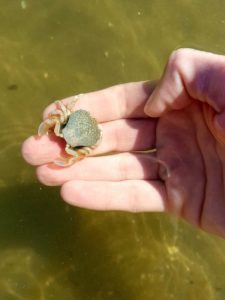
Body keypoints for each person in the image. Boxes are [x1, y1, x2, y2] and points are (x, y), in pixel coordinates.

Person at [22, 48, 225, 239]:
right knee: (59, 122)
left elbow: (78, 147)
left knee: (73, 149)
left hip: (84, 135)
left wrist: (68, 153)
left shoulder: (81, 139)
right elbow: (62, 112)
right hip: (79, 129)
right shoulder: (68, 120)